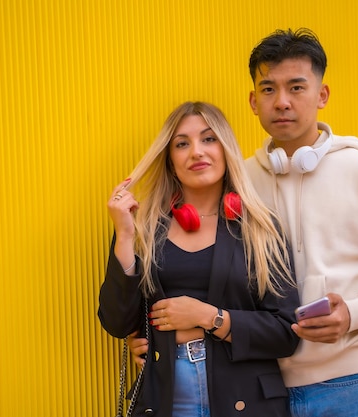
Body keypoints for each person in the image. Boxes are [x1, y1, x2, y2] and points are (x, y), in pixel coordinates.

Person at [130, 29, 358, 417]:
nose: (282, 102)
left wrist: (356, 313)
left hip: (356, 386)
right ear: (252, 101)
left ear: (322, 95)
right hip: (262, 391)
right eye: (268, 90)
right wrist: (157, 338)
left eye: (296, 88)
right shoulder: (237, 182)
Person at [98, 101, 300, 417]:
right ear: (170, 160)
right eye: (182, 144)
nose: (196, 152)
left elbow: (286, 333)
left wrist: (209, 316)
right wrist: (123, 235)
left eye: (208, 139)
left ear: (226, 149)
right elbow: (117, 323)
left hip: (246, 399)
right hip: (167, 396)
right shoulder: (144, 229)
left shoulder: (262, 228)